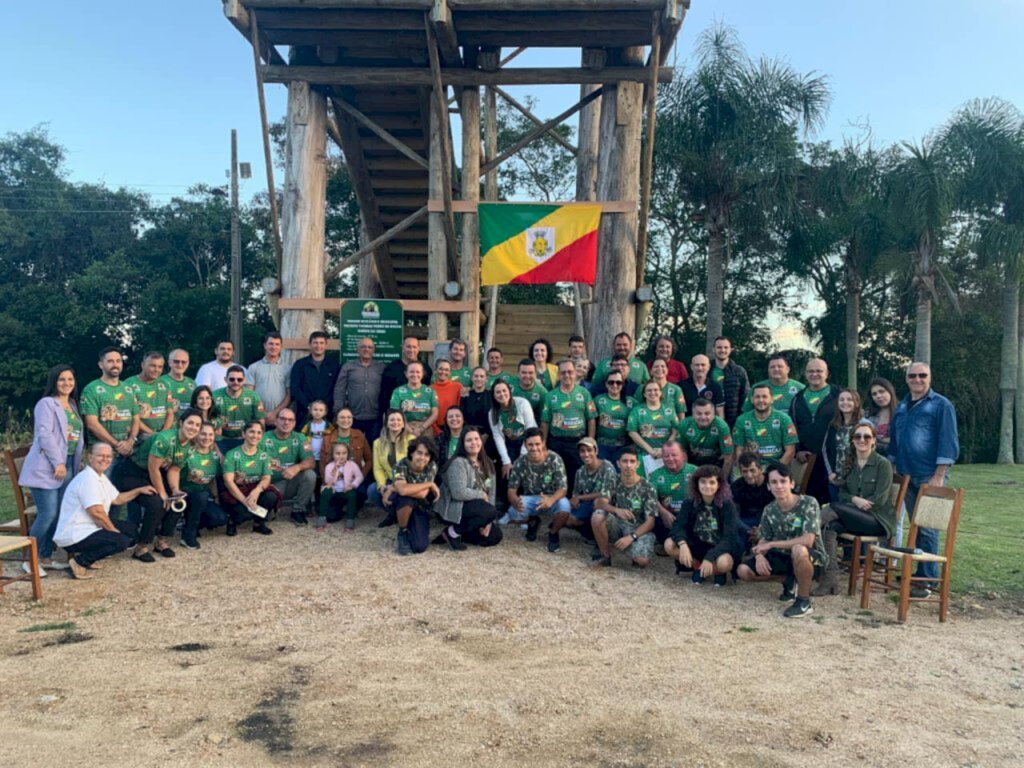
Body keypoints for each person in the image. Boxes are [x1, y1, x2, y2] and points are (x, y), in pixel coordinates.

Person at [888, 362, 959, 596]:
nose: (917, 379)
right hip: (907, 474)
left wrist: (939, 475)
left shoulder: (941, 405)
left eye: (922, 375)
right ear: (906, 378)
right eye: (912, 376)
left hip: (930, 475)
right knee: (915, 526)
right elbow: (896, 441)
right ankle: (920, 572)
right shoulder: (902, 406)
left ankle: (927, 581)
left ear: (930, 377)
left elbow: (948, 441)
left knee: (929, 527)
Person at [736, 463, 829, 619]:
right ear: (768, 486)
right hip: (781, 556)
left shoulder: (808, 503)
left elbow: (808, 540)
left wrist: (772, 544)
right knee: (743, 571)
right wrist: (759, 555)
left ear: (792, 483)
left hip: (810, 558)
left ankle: (804, 602)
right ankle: (787, 580)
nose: (779, 486)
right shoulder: (769, 509)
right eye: (774, 482)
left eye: (783, 481)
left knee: (798, 548)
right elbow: (764, 537)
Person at [813, 422, 895, 596]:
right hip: (853, 516)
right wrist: (855, 500)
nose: (862, 440)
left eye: (867, 436)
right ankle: (830, 580)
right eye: (858, 436)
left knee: (833, 507)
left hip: (876, 520)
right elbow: (842, 493)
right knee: (829, 528)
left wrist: (856, 503)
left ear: (874, 440)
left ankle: (804, 530)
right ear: (852, 440)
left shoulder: (883, 464)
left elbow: (879, 500)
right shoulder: (849, 463)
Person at [53, 442, 155, 580]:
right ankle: (79, 562)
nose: (105, 459)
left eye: (108, 456)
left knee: (131, 530)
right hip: (75, 533)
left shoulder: (100, 477)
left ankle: (90, 557)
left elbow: (117, 499)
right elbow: (97, 512)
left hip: (90, 527)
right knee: (121, 541)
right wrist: (113, 532)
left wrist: (139, 490)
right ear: (90, 457)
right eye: (100, 455)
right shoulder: (87, 479)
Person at [19, 364, 84, 575]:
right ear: (54, 382)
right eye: (61, 379)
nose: (66, 383)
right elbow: (45, 436)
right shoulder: (46, 404)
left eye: (70, 379)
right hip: (48, 466)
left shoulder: (72, 404)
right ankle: (30, 559)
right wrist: (58, 463)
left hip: (68, 464)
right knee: (48, 513)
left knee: (59, 514)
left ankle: (45, 557)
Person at [119, 408, 203, 561]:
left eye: (197, 425)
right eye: (190, 423)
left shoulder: (190, 445)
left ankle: (161, 541)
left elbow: (175, 469)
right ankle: (141, 547)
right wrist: (163, 493)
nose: (193, 427)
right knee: (157, 503)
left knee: (177, 501)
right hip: (133, 472)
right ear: (181, 423)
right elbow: (153, 468)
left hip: (155, 473)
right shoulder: (165, 439)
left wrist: (174, 490)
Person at [665, 465, 742, 586]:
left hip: (719, 548)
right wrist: (682, 544)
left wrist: (710, 557)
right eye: (703, 482)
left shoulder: (728, 505)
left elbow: (729, 538)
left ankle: (717, 571)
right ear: (697, 484)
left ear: (719, 485)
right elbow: (678, 526)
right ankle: (698, 568)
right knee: (669, 544)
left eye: (712, 482)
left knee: (724, 563)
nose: (707, 486)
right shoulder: (689, 502)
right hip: (697, 546)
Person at [591, 447, 659, 569]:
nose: (628, 465)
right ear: (618, 463)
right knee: (598, 516)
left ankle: (630, 550)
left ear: (638, 464)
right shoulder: (612, 480)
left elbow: (650, 522)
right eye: (625, 461)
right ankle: (605, 556)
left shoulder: (648, 487)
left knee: (641, 561)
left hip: (638, 528)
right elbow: (598, 503)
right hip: (616, 524)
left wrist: (631, 537)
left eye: (632, 461)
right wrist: (616, 510)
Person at [437, 427, 503, 550]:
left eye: (476, 439)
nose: (474, 443)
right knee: (489, 511)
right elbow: (458, 493)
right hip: (456, 506)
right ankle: (451, 532)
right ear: (463, 444)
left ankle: (460, 533)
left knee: (495, 536)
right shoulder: (458, 463)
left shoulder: (487, 462)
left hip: (478, 509)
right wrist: (482, 495)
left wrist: (488, 521)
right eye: (469, 440)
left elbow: (492, 493)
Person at [80, 347, 140, 478]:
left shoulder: (128, 389)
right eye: (110, 361)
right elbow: (92, 424)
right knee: (100, 492)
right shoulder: (91, 389)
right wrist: (116, 445)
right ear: (101, 364)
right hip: (101, 454)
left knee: (121, 492)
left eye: (118, 361)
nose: (115, 365)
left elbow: (136, 418)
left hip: (127, 452)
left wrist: (130, 441)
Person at [540, 359, 597, 494]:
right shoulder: (550, 396)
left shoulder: (584, 393)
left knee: (576, 474)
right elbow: (545, 422)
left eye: (570, 372)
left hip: (577, 442)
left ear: (575, 373)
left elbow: (591, 418)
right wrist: (543, 443)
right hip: (557, 441)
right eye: (563, 372)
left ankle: (574, 501)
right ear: (559, 375)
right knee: (556, 473)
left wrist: (590, 441)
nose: (567, 375)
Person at [505, 428, 571, 543]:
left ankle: (553, 533)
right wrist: (515, 501)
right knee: (513, 514)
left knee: (565, 507)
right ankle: (532, 521)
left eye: (537, 444)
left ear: (543, 443)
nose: (534, 448)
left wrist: (551, 500)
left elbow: (563, 488)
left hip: (552, 498)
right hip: (530, 499)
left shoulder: (555, 459)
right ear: (525, 445)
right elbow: (511, 490)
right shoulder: (519, 462)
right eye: (530, 444)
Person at [789, 358, 840, 504]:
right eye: (811, 371)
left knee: (835, 502)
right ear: (805, 374)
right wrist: (797, 450)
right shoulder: (797, 399)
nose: (815, 374)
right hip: (807, 459)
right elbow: (792, 429)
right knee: (809, 502)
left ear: (827, 373)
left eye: (819, 371)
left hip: (833, 458)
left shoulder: (838, 395)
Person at [556, 437, 617, 552]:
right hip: (585, 506)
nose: (586, 454)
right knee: (564, 515)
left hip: (605, 507)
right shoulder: (580, 471)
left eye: (589, 450)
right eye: (582, 451)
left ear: (596, 451)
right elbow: (576, 493)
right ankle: (588, 532)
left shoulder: (607, 468)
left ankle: (600, 540)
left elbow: (606, 493)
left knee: (600, 501)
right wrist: (575, 501)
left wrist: (580, 497)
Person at [220, 421, 278, 536]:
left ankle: (258, 524)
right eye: (251, 432)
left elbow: (267, 478)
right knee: (242, 514)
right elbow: (228, 481)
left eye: (258, 433)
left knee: (271, 496)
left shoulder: (264, 455)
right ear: (243, 434)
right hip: (237, 492)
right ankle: (232, 522)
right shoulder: (231, 454)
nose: (255, 436)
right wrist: (245, 501)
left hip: (253, 490)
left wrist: (257, 491)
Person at [262, 407, 316, 526]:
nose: (286, 422)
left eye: (290, 420)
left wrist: (297, 467)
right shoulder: (263, 438)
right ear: (275, 421)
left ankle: (298, 510)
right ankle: (269, 509)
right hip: (269, 484)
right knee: (265, 504)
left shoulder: (300, 438)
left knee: (310, 474)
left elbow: (311, 461)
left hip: (290, 482)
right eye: (282, 419)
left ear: (295, 423)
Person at [390, 436, 440, 556]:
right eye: (419, 453)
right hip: (403, 502)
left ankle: (409, 523)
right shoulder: (400, 465)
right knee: (406, 498)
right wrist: (430, 484)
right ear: (412, 453)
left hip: (421, 506)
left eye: (427, 455)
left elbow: (423, 494)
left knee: (420, 546)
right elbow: (402, 491)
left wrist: (399, 487)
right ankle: (402, 532)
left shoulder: (431, 466)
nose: (422, 458)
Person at [180, 420, 227, 547]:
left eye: (210, 435)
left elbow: (212, 480)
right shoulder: (187, 452)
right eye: (203, 434)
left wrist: (216, 497)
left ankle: (191, 523)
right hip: (184, 493)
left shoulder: (214, 457)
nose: (207, 438)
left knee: (220, 518)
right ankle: (189, 534)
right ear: (196, 435)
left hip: (202, 496)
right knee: (200, 496)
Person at [647, 439, 698, 549]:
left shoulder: (695, 471)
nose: (670, 459)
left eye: (674, 455)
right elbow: (650, 497)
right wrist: (663, 512)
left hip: (689, 516)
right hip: (668, 516)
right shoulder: (655, 475)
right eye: (666, 456)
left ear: (683, 455)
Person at [333, 336, 385, 443]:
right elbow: (340, 389)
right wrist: (338, 410)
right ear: (357, 349)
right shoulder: (348, 367)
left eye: (370, 347)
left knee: (373, 447)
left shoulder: (381, 367)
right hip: (353, 416)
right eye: (363, 347)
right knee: (353, 447)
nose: (367, 349)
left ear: (374, 350)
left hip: (375, 416)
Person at [732, 384, 798, 465]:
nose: (761, 400)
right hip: (750, 467)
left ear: (772, 399)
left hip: (777, 466)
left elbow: (790, 451)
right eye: (757, 397)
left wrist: (775, 470)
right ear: (752, 400)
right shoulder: (741, 420)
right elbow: (739, 450)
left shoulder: (784, 419)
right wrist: (746, 470)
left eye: (764, 396)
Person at [627, 379, 679, 476]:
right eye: (649, 390)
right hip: (644, 455)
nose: (652, 393)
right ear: (644, 394)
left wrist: (664, 449)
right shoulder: (637, 410)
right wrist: (650, 450)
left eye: (655, 390)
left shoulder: (669, 409)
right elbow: (632, 432)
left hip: (667, 455)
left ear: (660, 392)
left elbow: (675, 430)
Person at [290, 330, 341, 427]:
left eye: (321, 343)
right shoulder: (300, 365)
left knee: (327, 441)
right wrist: (309, 406)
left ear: (326, 345)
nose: (318, 346)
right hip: (304, 413)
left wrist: (324, 407)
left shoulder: (334, 365)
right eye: (315, 343)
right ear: (310, 344)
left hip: (328, 413)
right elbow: (295, 388)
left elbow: (337, 388)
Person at [370, 409, 414, 521]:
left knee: (399, 494)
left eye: (399, 420)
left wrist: (395, 486)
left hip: (407, 480)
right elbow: (377, 468)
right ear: (386, 423)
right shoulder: (377, 443)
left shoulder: (411, 440)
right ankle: (393, 514)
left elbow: (414, 465)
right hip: (389, 479)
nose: (395, 422)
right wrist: (381, 485)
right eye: (392, 420)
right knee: (372, 490)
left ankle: (404, 515)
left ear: (404, 423)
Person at [822, 388, 862, 502]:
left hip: (856, 479)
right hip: (836, 478)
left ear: (857, 403)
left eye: (849, 399)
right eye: (842, 400)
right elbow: (825, 449)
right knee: (836, 511)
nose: (845, 402)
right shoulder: (833, 425)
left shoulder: (862, 425)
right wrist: (830, 473)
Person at [213, 365, 265, 453]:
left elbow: (260, 420)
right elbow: (208, 417)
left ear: (244, 380)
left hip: (245, 440)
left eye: (239, 379)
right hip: (221, 440)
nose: (236, 382)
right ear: (225, 379)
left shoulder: (253, 396)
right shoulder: (215, 395)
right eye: (232, 379)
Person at [488, 379, 535, 475]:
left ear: (509, 391)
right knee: (509, 474)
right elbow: (498, 437)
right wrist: (506, 461)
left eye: (504, 390)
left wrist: (523, 455)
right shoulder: (492, 413)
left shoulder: (522, 404)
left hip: (529, 442)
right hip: (510, 445)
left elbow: (530, 429)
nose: (502, 394)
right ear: (494, 395)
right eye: (498, 392)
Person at [677, 398, 735, 475]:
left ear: (714, 414)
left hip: (716, 463)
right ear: (693, 414)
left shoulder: (721, 426)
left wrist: (723, 480)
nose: (703, 417)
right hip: (693, 462)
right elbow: (681, 452)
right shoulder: (684, 424)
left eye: (707, 413)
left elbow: (728, 456)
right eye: (699, 413)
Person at [124, 351, 175, 439]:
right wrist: (152, 434)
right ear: (143, 365)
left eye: (160, 367)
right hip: (139, 435)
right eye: (153, 366)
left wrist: (163, 433)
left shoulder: (165, 385)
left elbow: (170, 413)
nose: (156, 370)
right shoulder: (129, 384)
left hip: (163, 433)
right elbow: (132, 416)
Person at [248, 331, 292, 428]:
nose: (274, 347)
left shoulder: (288, 368)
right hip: (257, 417)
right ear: (265, 345)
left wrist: (275, 412)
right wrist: (262, 412)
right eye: (270, 344)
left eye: (277, 344)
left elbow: (289, 395)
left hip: (280, 418)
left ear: (281, 347)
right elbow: (249, 394)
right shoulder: (254, 367)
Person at [381, 336, 433, 415]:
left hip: (420, 417)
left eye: (414, 347)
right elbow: (384, 395)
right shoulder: (391, 368)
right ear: (403, 348)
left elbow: (429, 393)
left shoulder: (426, 369)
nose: (411, 350)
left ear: (418, 348)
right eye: (408, 347)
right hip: (396, 417)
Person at [593, 370, 636, 464]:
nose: (615, 385)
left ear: (623, 384)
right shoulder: (598, 400)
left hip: (623, 447)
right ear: (606, 384)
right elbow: (590, 420)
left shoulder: (631, 402)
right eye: (611, 382)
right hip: (602, 445)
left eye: (618, 382)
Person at [730, 453, 774, 547]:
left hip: (770, 520)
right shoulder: (736, 486)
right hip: (746, 522)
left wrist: (762, 530)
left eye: (752, 470)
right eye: (745, 471)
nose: (749, 475)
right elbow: (734, 515)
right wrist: (749, 531)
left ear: (761, 469)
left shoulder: (773, 482)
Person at [319, 407, 372, 483]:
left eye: (349, 417)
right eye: (342, 417)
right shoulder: (327, 439)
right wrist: (326, 483)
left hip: (354, 482)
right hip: (333, 481)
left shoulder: (359, 435)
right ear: (336, 421)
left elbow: (369, 460)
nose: (346, 420)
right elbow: (322, 464)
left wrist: (360, 476)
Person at [320, 442, 364, 530]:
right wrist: (335, 469)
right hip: (334, 491)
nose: (341, 456)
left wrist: (353, 485)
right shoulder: (329, 466)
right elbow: (328, 481)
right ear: (332, 455)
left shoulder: (352, 464)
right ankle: (322, 518)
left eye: (344, 453)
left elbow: (360, 476)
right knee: (325, 492)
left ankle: (350, 519)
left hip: (346, 490)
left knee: (352, 494)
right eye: (338, 453)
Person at [390, 361, 439, 437]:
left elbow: (435, 414)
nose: (415, 374)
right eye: (411, 372)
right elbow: (394, 413)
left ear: (422, 374)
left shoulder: (430, 392)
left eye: (418, 372)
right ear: (406, 374)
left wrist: (421, 429)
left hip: (425, 429)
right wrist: (409, 429)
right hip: (404, 428)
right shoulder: (398, 392)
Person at [709, 336, 749, 428]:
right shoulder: (707, 369)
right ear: (713, 349)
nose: (722, 350)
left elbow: (745, 397)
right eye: (719, 347)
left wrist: (741, 418)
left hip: (734, 421)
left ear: (731, 350)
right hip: (708, 419)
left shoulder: (739, 371)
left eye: (726, 347)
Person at [681, 354, 725, 418]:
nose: (700, 368)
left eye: (703, 365)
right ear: (691, 367)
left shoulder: (716, 387)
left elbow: (720, 413)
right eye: (697, 365)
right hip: (688, 425)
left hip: (709, 425)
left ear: (708, 367)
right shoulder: (681, 386)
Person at [864, 377, 898, 455]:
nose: (878, 396)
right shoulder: (867, 414)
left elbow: (903, 439)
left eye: (881, 391)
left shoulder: (902, 412)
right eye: (874, 394)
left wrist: (877, 440)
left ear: (890, 391)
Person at [431, 358, 463, 435]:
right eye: (440, 369)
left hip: (455, 427)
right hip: (436, 429)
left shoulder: (458, 387)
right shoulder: (430, 389)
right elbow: (428, 413)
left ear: (450, 372)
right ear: (435, 370)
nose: (443, 372)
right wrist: (437, 430)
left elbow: (461, 409)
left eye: (446, 370)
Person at [160, 349, 196, 415]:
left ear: (188, 363)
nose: (180, 365)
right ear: (169, 362)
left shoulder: (192, 383)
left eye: (183, 362)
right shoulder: (160, 382)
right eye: (176, 361)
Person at [511, 358, 548, 423]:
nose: (527, 376)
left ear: (535, 374)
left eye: (530, 373)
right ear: (518, 373)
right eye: (524, 373)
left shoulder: (543, 393)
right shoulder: (509, 384)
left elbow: (544, 418)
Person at [299, 400, 329, 469]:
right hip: (311, 455)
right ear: (310, 411)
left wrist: (323, 432)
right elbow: (302, 438)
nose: (318, 412)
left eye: (321, 410)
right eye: (315, 409)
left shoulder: (327, 425)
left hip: (323, 455)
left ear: (325, 412)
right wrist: (306, 451)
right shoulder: (308, 425)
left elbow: (332, 434)